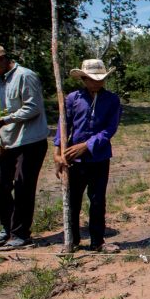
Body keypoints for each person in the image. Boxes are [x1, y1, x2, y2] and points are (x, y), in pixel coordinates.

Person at [0, 44, 49, 250]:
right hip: (8, 141)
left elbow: (33, 108)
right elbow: (2, 111)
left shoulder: (25, 76)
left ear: (1, 59)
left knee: (23, 186)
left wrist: (5, 120)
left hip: (30, 141)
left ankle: (20, 234)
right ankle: (8, 228)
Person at [54, 59, 123, 253]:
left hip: (99, 158)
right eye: (93, 79)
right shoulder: (73, 99)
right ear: (84, 79)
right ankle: (72, 240)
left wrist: (87, 145)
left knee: (97, 199)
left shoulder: (112, 100)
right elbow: (63, 124)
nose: (97, 83)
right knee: (72, 200)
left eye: (101, 79)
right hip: (73, 159)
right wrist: (58, 152)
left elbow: (110, 129)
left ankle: (97, 241)